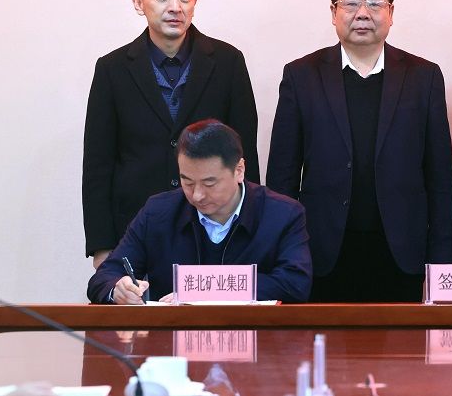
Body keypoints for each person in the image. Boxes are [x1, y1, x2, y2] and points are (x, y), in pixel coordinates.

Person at [266, 0, 452, 302]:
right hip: (321, 252)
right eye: (351, 3)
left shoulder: (423, 77)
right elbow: (282, 176)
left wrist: (442, 265)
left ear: (391, 13)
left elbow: (439, 178)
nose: (363, 13)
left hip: (402, 252)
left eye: (375, 3)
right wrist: (283, 253)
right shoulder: (301, 76)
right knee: (325, 337)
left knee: (403, 338)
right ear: (333, 12)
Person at [82, 0, 260, 270]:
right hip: (136, 229)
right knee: (140, 304)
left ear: (195, 2)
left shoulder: (228, 61)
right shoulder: (112, 68)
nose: (175, 7)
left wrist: (251, 230)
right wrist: (102, 246)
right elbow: (98, 163)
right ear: (139, 3)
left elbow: (245, 153)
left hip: (215, 225)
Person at [87, 119, 310, 304]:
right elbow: (105, 276)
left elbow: (295, 283)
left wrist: (204, 291)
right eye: (187, 182)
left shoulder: (283, 214)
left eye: (209, 183)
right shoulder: (158, 212)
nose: (197, 195)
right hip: (173, 339)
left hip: (256, 339)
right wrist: (117, 289)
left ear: (239, 170)